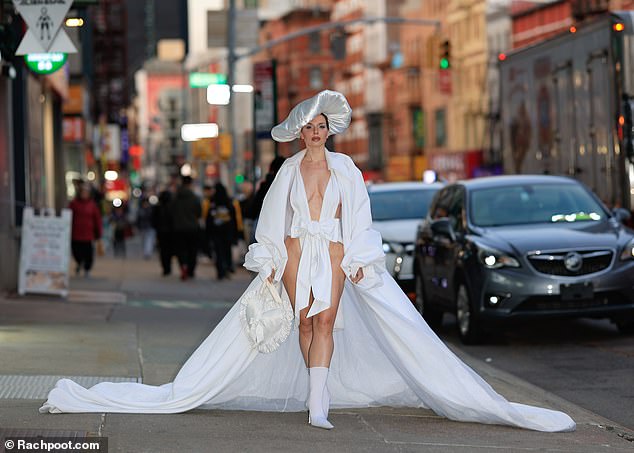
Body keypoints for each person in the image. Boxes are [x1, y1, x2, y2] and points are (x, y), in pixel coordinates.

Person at [39, 90, 575, 434]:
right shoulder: (289, 172)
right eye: (310, 127)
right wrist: (271, 260)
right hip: (298, 249)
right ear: (300, 132)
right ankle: (315, 386)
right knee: (303, 320)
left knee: (326, 320)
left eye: (323, 126)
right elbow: (271, 220)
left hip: (336, 251)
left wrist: (361, 259)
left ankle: (318, 404)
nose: (316, 133)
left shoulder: (346, 170)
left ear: (329, 130)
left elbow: (359, 218)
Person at [170, 175, 202, 280]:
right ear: (190, 184)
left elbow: (171, 212)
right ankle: (191, 270)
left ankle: (183, 266)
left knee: (181, 249)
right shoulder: (195, 198)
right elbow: (199, 213)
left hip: (178, 228)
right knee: (192, 250)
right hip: (193, 228)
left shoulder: (175, 197)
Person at [69, 183, 102, 277]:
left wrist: (98, 233)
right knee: (76, 252)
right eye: (83, 192)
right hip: (76, 233)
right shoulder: (74, 204)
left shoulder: (92, 205)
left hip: (88, 234)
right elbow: (69, 215)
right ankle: (79, 263)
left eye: (86, 192)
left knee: (88, 253)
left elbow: (97, 219)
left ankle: (87, 269)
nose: (84, 194)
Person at [206, 182, 237, 280]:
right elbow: (234, 218)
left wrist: (208, 231)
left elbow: (209, 219)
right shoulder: (229, 202)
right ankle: (227, 268)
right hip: (227, 231)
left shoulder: (212, 202)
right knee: (226, 250)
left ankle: (220, 271)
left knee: (218, 252)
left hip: (216, 231)